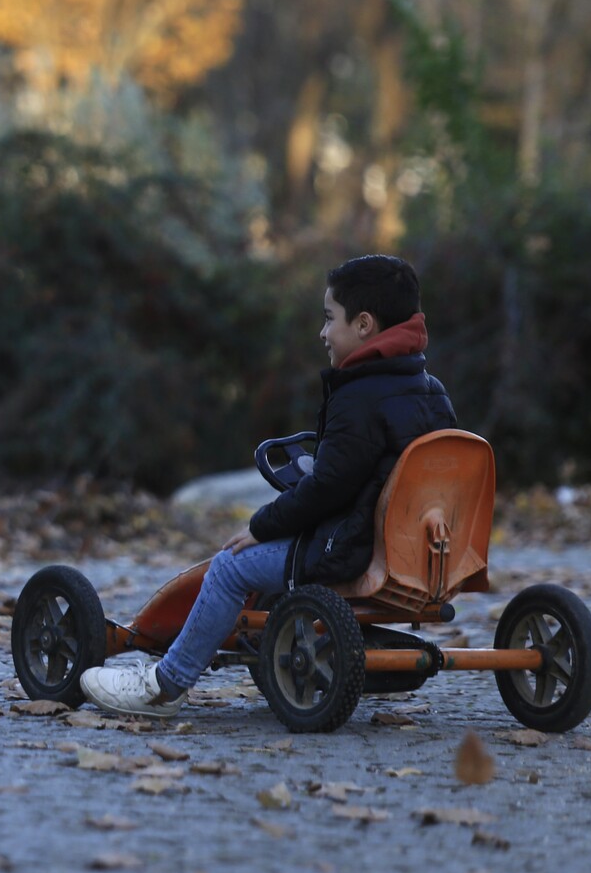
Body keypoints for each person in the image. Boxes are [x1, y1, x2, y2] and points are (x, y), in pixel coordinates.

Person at [80, 254, 457, 719]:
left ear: (363, 325)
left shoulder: (358, 395)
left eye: (328, 318)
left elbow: (329, 488)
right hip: (420, 558)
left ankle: (164, 682)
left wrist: (262, 525)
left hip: (353, 551)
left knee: (230, 567)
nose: (322, 333)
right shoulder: (431, 390)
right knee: (266, 551)